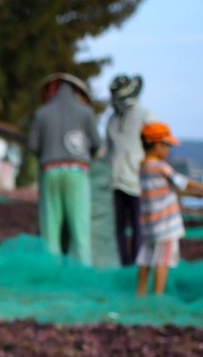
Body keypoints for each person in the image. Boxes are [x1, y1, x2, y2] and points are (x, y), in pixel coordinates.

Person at [27, 73, 102, 265]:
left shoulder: (42, 113)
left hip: (50, 171)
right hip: (78, 172)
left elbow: (33, 146)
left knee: (50, 229)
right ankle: (82, 273)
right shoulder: (85, 112)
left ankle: (51, 272)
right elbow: (96, 144)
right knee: (80, 230)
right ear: (76, 92)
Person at [135, 122, 203, 296]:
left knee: (145, 260)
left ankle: (140, 294)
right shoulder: (161, 167)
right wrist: (202, 187)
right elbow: (181, 181)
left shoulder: (142, 167)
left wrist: (193, 195)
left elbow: (168, 190)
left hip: (149, 225)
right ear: (157, 144)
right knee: (163, 261)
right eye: (166, 145)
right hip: (166, 225)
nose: (168, 150)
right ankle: (158, 294)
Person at [106, 74, 154, 265]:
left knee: (138, 224)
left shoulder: (144, 114)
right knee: (118, 225)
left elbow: (155, 142)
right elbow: (106, 148)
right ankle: (123, 262)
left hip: (137, 180)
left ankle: (136, 262)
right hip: (116, 179)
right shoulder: (112, 120)